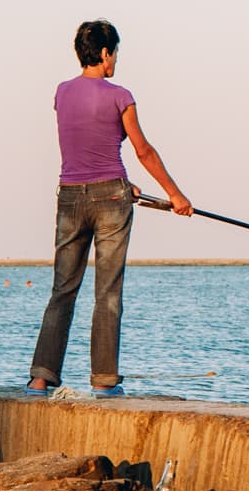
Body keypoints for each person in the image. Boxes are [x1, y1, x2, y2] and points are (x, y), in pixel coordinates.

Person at [26, 20, 191, 397]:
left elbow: (85, 147)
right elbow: (143, 150)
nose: (116, 59)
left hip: (70, 195)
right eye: (115, 52)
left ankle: (41, 378)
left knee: (62, 290)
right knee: (108, 293)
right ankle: (103, 381)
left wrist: (121, 182)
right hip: (112, 200)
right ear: (104, 54)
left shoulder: (61, 93)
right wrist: (176, 196)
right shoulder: (121, 96)